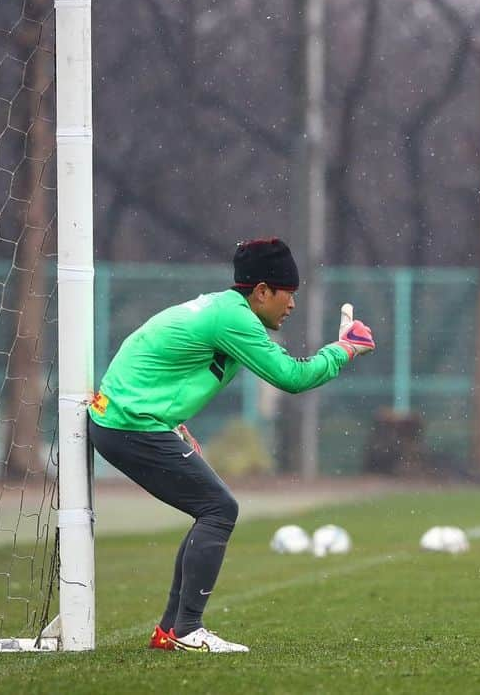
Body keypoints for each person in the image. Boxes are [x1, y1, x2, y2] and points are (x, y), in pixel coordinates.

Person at [87, 238, 375, 653]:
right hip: (130, 425)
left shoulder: (223, 308)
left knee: (211, 508)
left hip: (126, 419)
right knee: (219, 509)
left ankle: (172, 631)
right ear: (261, 292)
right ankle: (185, 630)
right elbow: (293, 378)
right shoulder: (235, 320)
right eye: (287, 295)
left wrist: (173, 421)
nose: (291, 306)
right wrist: (344, 349)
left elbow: (153, 354)